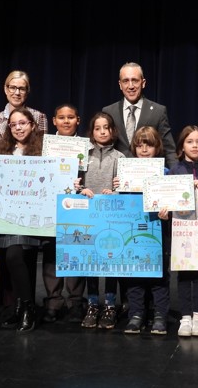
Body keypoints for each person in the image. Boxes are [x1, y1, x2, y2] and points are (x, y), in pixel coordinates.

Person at [0, 70, 48, 310]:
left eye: (21, 88)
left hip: (30, 205)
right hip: (6, 205)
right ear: (5, 89)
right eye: (12, 87)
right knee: (6, 256)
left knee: (23, 257)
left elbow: (43, 153)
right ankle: (9, 306)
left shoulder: (39, 116)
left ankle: (26, 307)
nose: (16, 92)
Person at [74, 111, 126, 329]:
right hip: (87, 216)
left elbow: (125, 188)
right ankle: (93, 304)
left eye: (106, 127)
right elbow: (74, 185)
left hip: (111, 218)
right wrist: (80, 189)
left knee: (110, 261)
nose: (102, 131)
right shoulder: (82, 155)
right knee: (91, 262)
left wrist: (117, 191)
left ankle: (110, 305)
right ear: (92, 131)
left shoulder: (120, 158)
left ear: (112, 131)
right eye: (98, 128)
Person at [0, 107, 44, 332]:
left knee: (16, 256)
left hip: (31, 216)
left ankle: (27, 308)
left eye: (23, 123)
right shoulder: (4, 152)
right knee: (11, 261)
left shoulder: (42, 151)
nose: (18, 128)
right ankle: (20, 307)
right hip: (7, 216)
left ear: (33, 125)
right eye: (13, 125)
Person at [168, 125, 198, 337]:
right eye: (190, 141)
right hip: (181, 232)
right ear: (182, 146)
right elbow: (169, 199)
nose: (195, 145)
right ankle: (185, 317)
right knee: (183, 275)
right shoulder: (175, 170)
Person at [123, 126, 172, 336]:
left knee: (159, 276)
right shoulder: (126, 171)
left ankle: (160, 315)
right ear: (134, 148)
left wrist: (166, 211)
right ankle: (136, 314)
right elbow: (121, 203)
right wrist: (115, 188)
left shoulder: (165, 172)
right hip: (132, 232)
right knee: (134, 274)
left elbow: (171, 202)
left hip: (158, 231)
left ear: (157, 147)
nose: (144, 149)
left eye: (149, 145)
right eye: (140, 145)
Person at [43, 103, 87, 323]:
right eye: (62, 117)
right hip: (51, 207)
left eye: (71, 117)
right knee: (51, 254)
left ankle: (76, 302)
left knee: (76, 253)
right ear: (54, 121)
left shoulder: (85, 147)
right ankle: (53, 301)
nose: (66, 121)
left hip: (77, 207)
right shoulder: (46, 147)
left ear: (78, 120)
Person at [102, 62, 177, 168]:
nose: (131, 86)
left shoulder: (158, 111)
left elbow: (169, 149)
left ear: (143, 82)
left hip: (148, 173)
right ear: (120, 85)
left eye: (135, 80)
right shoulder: (109, 111)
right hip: (116, 176)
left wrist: (178, 176)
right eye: (126, 81)